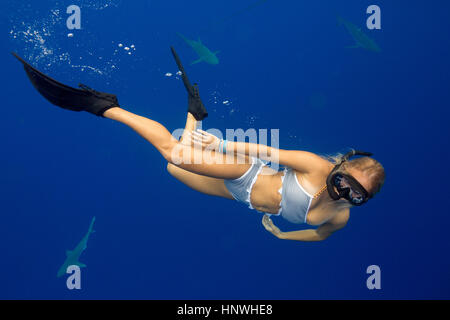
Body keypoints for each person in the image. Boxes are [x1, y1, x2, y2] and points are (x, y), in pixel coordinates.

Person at [13, 48, 385, 242]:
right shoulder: (315, 165)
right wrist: (224, 142)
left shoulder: (339, 217)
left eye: (355, 195)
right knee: (174, 152)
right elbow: (267, 151)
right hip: (248, 171)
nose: (344, 193)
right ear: (340, 169)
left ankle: (195, 111)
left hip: (237, 196)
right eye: (345, 182)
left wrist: (284, 236)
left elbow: (319, 235)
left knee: (174, 167)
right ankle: (103, 106)